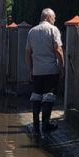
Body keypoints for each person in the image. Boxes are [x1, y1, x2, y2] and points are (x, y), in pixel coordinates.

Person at [25, 8, 64, 136]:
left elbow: (28, 53)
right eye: (54, 18)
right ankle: (45, 125)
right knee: (49, 97)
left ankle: (36, 125)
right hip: (51, 70)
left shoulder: (32, 31)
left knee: (36, 96)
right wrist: (61, 66)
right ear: (48, 17)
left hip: (37, 70)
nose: (55, 20)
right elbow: (58, 49)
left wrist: (31, 69)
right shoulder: (53, 30)